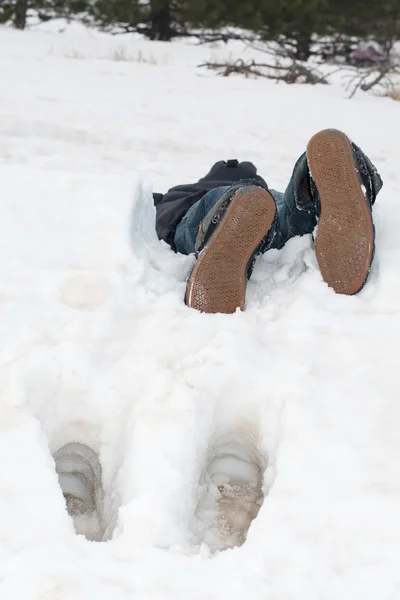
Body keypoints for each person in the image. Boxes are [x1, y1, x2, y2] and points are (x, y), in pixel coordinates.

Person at [153, 129, 383, 314]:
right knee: (293, 217)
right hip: (270, 203)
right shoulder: (263, 192)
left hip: (219, 206)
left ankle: (225, 218)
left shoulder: (185, 192)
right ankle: (316, 177)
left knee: (225, 207)